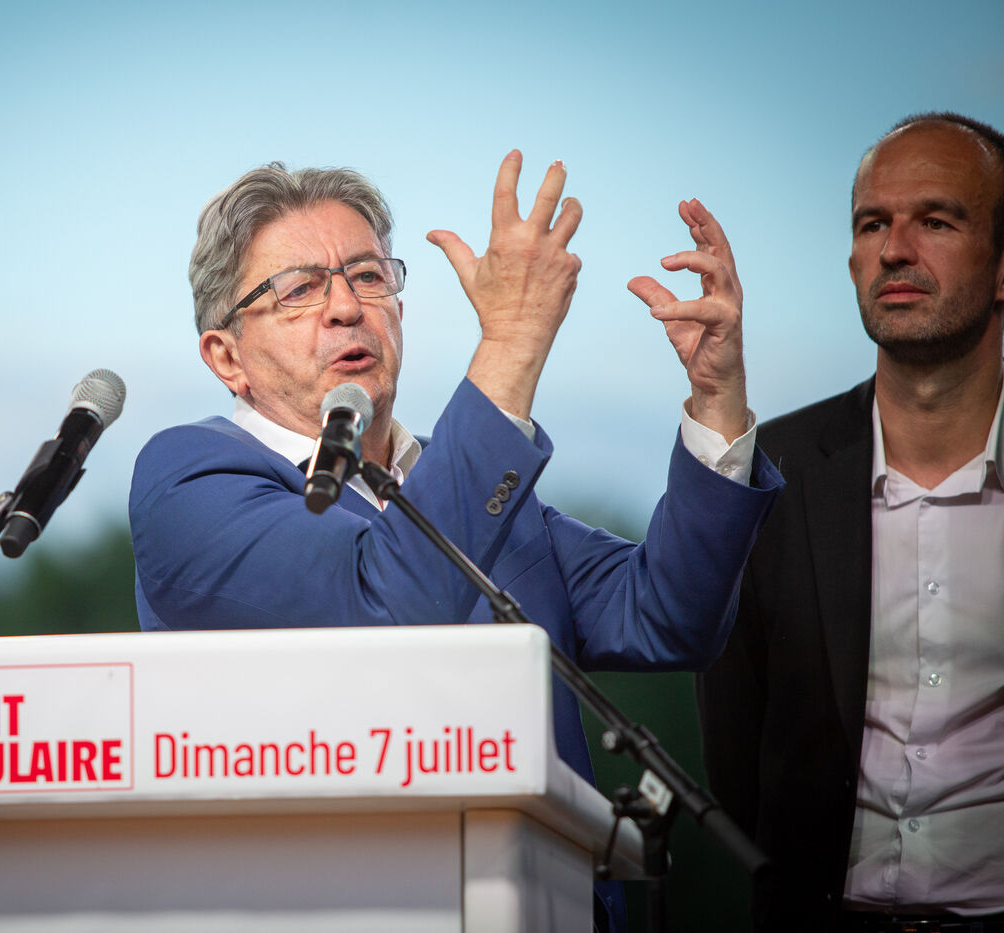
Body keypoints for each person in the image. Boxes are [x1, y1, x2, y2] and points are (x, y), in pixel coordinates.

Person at [129, 152, 783, 929]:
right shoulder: (190, 479)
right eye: (299, 289)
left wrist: (716, 399)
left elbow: (668, 614)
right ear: (226, 356)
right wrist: (511, 344)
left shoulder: (472, 481)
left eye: (368, 276)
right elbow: (382, 606)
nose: (347, 307)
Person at [698, 112, 1004, 931]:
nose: (895, 249)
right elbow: (736, 761)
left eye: (936, 221)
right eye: (873, 224)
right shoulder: (772, 471)